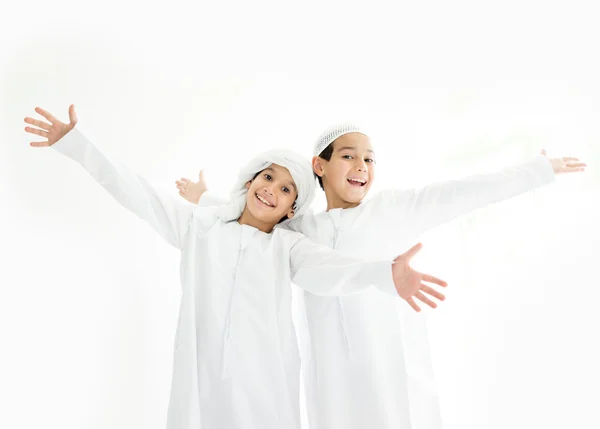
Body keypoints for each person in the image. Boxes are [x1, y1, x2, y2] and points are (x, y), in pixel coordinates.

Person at [24, 108, 448, 429]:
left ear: (291, 209)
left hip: (265, 393)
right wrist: (78, 145)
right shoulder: (199, 229)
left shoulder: (287, 247)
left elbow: (333, 270)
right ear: (249, 180)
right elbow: (137, 191)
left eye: (286, 190)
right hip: (200, 384)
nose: (271, 191)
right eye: (267, 178)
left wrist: (384, 273)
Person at [177, 123, 586, 429]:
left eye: (370, 159)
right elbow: (255, 219)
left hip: (394, 372)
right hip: (332, 383)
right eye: (350, 155)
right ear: (320, 165)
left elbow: (467, 191)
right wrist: (207, 199)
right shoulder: (297, 233)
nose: (362, 166)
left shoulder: (396, 209)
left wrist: (538, 171)